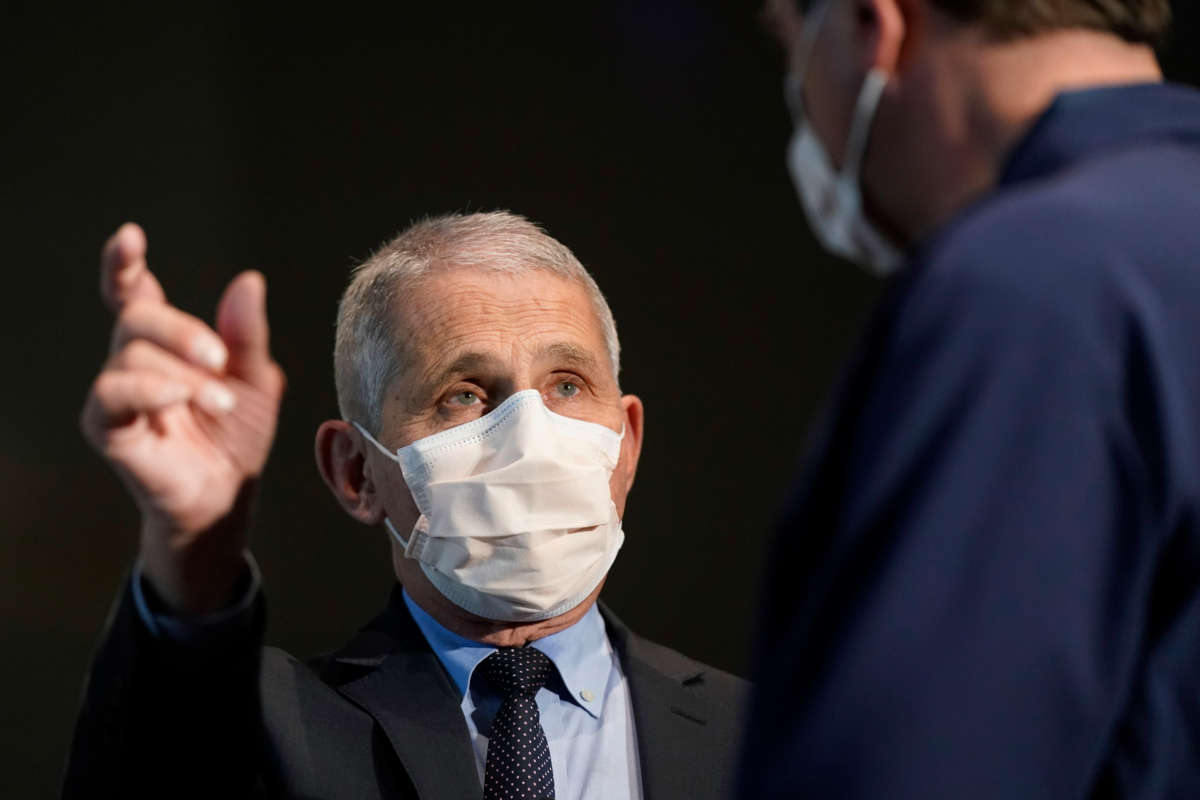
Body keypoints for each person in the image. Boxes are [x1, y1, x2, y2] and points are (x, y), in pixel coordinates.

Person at [64, 212, 747, 800]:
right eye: (465, 395)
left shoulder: (764, 729)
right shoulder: (266, 725)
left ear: (626, 444)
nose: (530, 437)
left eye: (567, 386)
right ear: (356, 471)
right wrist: (192, 548)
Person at [742, 0, 1200, 797]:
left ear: (872, 26)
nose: (803, 106)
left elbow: (918, 764)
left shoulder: (1039, 282)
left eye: (794, 58)